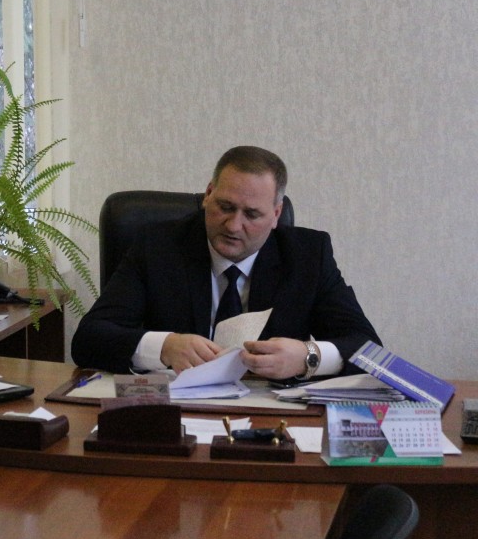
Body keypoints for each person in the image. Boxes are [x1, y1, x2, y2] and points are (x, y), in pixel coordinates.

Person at [72, 145, 380, 380]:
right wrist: (164, 347)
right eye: (225, 206)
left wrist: (307, 356)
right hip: (178, 414)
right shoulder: (156, 246)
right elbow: (88, 340)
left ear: (275, 214)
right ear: (208, 194)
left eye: (252, 214)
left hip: (273, 418)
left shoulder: (308, 256)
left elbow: (370, 351)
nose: (233, 226)